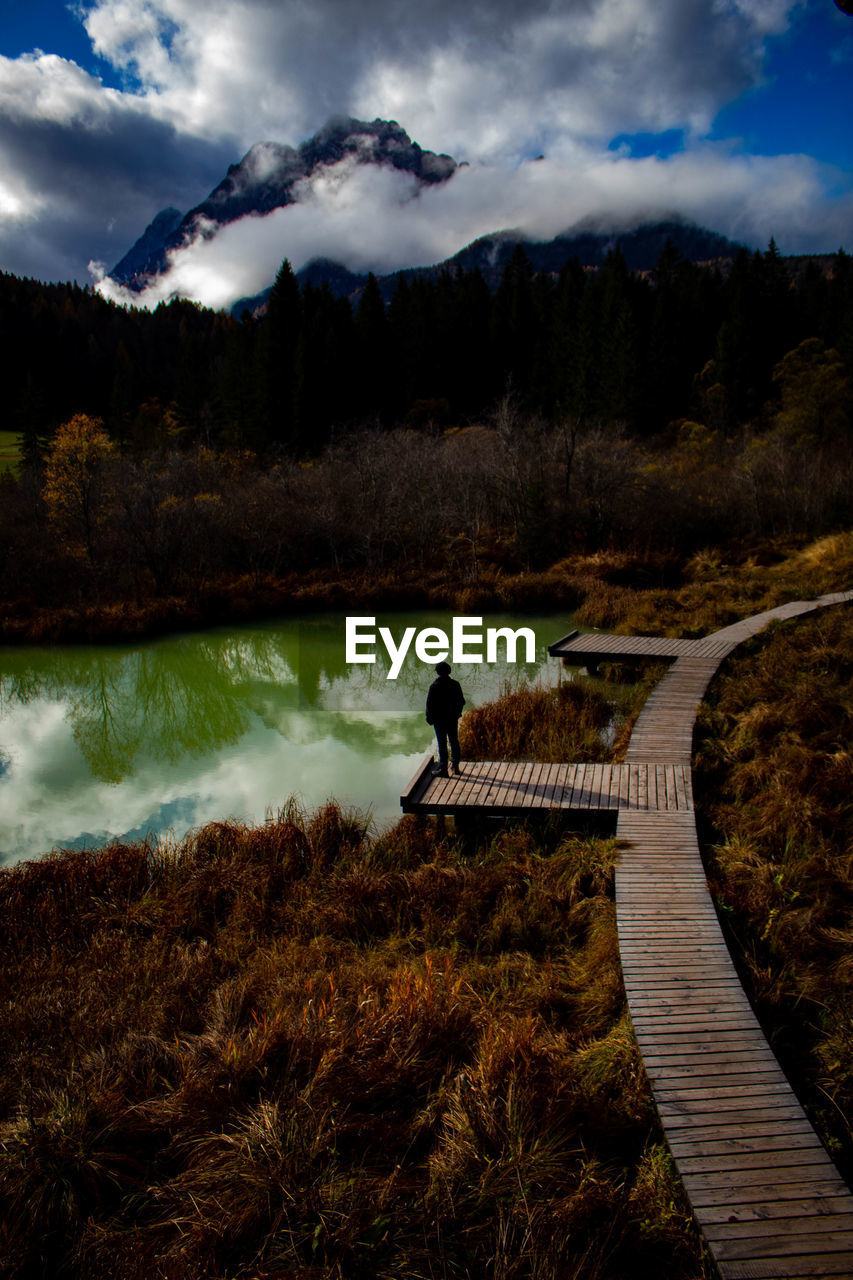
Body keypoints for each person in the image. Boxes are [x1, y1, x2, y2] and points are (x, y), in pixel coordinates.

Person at [425, 661, 465, 777]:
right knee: (454, 741)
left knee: (442, 744)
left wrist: (429, 718)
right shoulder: (455, 684)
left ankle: (443, 769)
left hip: (439, 720)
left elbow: (429, 705)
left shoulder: (434, 686)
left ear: (437, 672)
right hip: (452, 719)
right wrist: (457, 713)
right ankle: (455, 766)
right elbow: (461, 702)